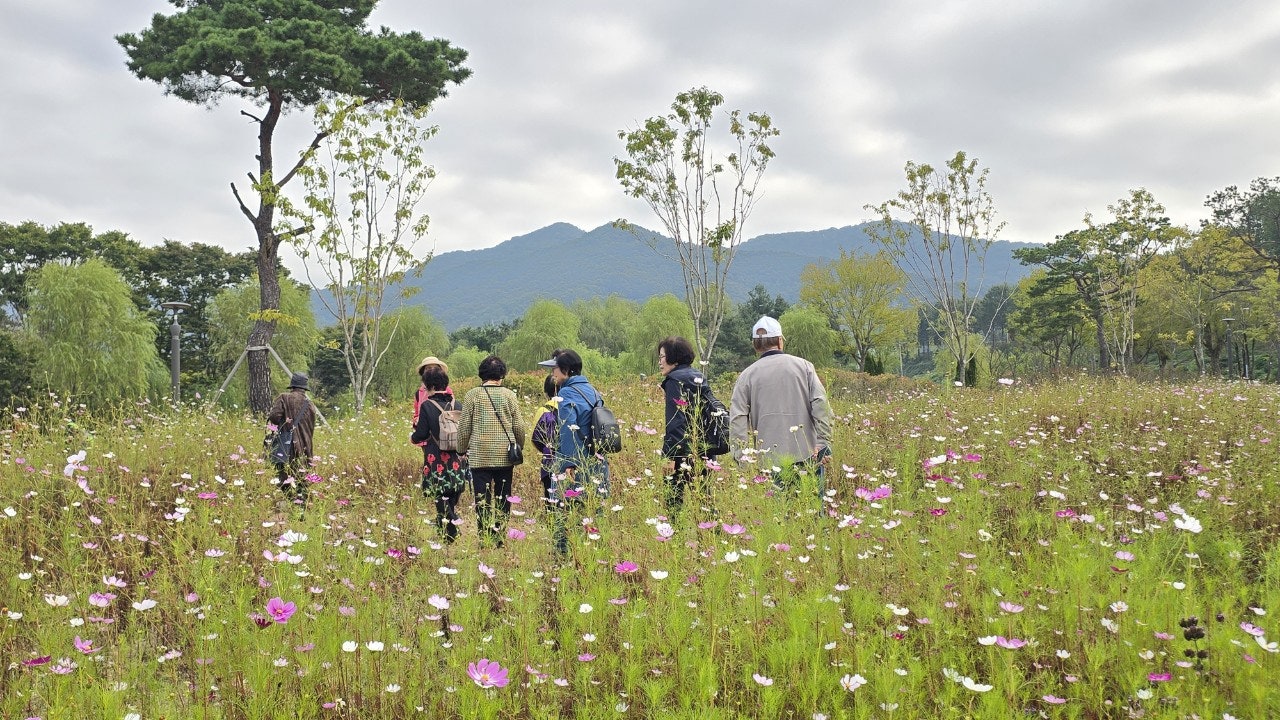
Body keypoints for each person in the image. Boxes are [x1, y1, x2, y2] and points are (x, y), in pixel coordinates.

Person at [729, 316, 833, 483]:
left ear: (755, 345)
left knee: (776, 508)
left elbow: (737, 419)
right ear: (779, 340)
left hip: (769, 461)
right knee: (810, 506)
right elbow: (821, 405)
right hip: (808, 454)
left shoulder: (746, 376)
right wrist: (823, 443)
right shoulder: (804, 366)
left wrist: (742, 459)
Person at [543, 349, 610, 554]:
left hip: (575, 465)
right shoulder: (593, 391)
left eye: (554, 368)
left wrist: (568, 465)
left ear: (565, 370)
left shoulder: (566, 393)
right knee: (593, 513)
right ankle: (593, 556)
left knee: (565, 515)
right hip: (596, 462)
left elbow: (567, 428)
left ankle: (563, 559)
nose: (552, 373)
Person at [457, 355, 528, 547]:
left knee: (482, 498)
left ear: (481, 374)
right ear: (502, 374)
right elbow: (519, 426)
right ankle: (500, 536)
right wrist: (519, 446)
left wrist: (461, 449)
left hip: (480, 457)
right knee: (503, 497)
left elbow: (464, 427)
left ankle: (485, 538)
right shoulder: (509, 395)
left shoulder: (472, 395)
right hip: (505, 456)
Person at [657, 336, 725, 512]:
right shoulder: (698, 377)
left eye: (662, 357)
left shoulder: (675, 381)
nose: (659, 362)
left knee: (673, 504)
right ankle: (712, 536)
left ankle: (674, 537)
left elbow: (676, 421)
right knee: (705, 502)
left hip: (683, 453)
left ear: (674, 357)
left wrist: (670, 457)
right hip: (704, 449)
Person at [409, 363, 468, 543]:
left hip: (436, 455)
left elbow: (422, 434)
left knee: (438, 492)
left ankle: (450, 529)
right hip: (456, 455)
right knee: (452, 491)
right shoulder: (457, 404)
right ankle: (448, 526)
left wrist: (413, 437)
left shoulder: (427, 406)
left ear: (431, 386)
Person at [267, 372, 317, 505]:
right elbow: (312, 427)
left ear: (293, 385)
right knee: (302, 476)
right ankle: (302, 505)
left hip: (287, 446)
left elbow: (274, 417)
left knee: (283, 474)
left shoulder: (284, 398)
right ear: (304, 388)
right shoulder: (310, 404)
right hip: (306, 447)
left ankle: (290, 501)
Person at [530, 373, 561, 510]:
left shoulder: (543, 410)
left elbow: (535, 439)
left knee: (551, 502)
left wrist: (546, 450)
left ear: (546, 391)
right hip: (571, 461)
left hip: (549, 463)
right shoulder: (571, 408)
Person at [412, 356, 453, 448]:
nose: (431, 371)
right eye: (428, 368)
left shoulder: (447, 390)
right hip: (426, 437)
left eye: (434, 368)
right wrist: (417, 420)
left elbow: (452, 410)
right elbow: (416, 413)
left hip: (444, 434)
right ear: (423, 372)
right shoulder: (419, 393)